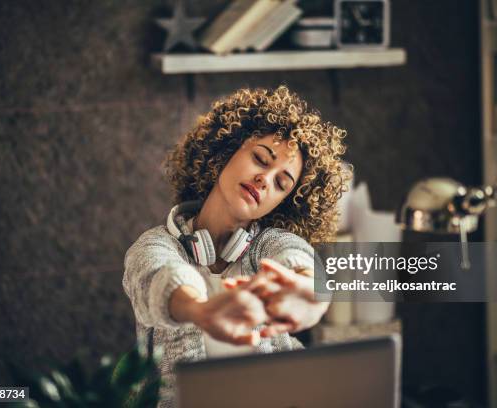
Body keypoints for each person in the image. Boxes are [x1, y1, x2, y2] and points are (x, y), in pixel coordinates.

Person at [122, 85, 350, 407]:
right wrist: (200, 311)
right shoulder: (156, 245)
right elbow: (159, 277)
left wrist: (309, 293)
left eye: (281, 183)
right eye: (260, 158)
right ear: (226, 150)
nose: (264, 180)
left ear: (281, 205)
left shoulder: (266, 245)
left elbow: (298, 260)